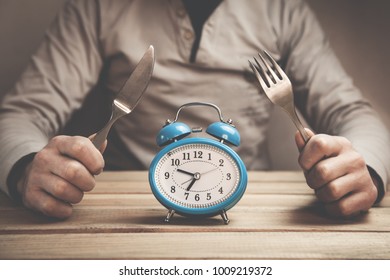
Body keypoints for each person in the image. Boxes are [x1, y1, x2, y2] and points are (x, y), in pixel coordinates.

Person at [0, 0, 389, 219]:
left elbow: (352, 111)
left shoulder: (282, 9)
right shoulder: (98, 6)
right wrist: (25, 168)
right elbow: (21, 114)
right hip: (129, 207)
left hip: (250, 211)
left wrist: (364, 169)